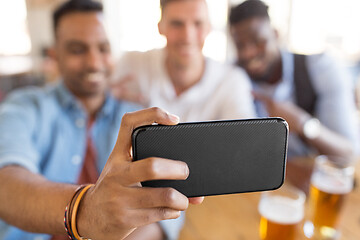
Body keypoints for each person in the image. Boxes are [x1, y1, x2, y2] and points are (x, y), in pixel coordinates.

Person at [0, 1, 203, 240]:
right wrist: (87, 210)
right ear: (55, 54)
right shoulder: (24, 107)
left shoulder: (136, 118)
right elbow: (7, 185)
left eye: (103, 49)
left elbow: (164, 215)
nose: (94, 62)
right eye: (78, 50)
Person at [228, 0, 359, 159]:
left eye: (258, 41)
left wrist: (304, 124)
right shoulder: (232, 78)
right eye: (240, 45)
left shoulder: (320, 69)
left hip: (308, 176)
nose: (249, 53)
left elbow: (350, 153)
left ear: (275, 34)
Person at [112, 0, 255, 122]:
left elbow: (245, 142)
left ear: (208, 27)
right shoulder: (131, 65)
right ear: (160, 27)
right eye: (177, 24)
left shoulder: (232, 81)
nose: (187, 36)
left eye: (197, 23)